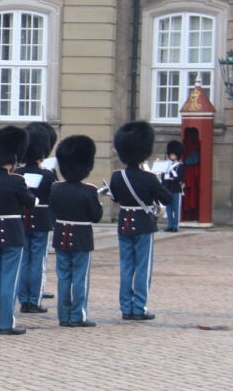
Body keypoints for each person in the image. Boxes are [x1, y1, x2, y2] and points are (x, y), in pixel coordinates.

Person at [108, 121, 171, 321]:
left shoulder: (117, 176)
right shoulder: (149, 177)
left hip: (124, 222)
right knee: (142, 267)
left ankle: (126, 307)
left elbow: (116, 198)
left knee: (126, 266)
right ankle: (139, 307)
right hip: (143, 223)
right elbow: (167, 199)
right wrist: (157, 184)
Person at [0, 126, 35, 336]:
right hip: (11, 232)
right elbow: (29, 202)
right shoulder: (17, 181)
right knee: (9, 280)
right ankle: (6, 323)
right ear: (13, 157)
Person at [49, 135, 103, 328]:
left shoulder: (55, 188)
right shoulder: (89, 190)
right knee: (80, 278)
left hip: (61, 234)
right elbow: (96, 216)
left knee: (64, 277)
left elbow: (53, 210)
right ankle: (77, 315)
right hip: (81, 237)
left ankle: (63, 316)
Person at [15, 123, 58, 314]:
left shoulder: (17, 173)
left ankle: (23, 299)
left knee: (23, 260)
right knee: (38, 261)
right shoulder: (48, 174)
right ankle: (34, 300)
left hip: (21, 219)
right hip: (41, 219)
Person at [161, 139, 184, 232]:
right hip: (168, 188)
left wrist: (173, 176)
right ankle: (170, 225)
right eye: (171, 154)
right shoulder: (166, 165)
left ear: (177, 155)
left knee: (176, 208)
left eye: (173, 154)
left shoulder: (180, 165)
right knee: (169, 209)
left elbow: (181, 177)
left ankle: (175, 225)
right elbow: (163, 177)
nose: (172, 156)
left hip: (176, 189)